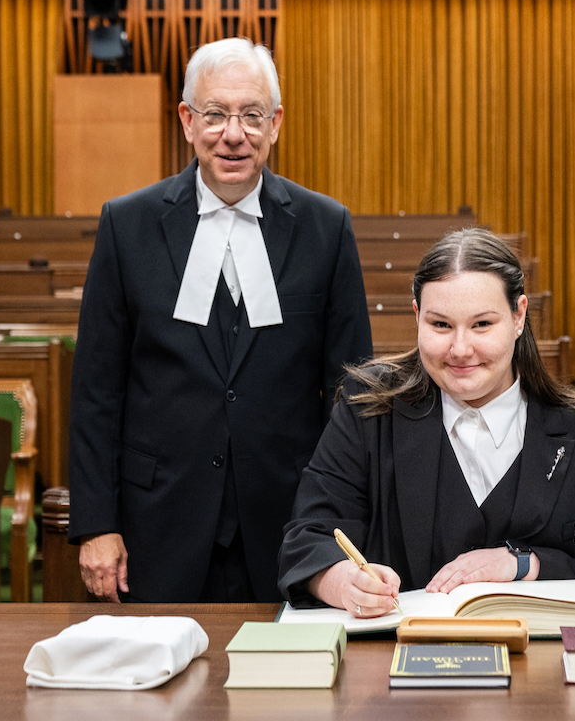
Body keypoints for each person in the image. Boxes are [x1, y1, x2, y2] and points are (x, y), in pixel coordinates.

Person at [68, 38, 372, 602]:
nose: (234, 134)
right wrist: (95, 524)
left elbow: (349, 394)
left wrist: (341, 521)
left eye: (252, 115)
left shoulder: (325, 228)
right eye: (215, 114)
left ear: (275, 123)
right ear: (187, 120)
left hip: (289, 525)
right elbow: (95, 391)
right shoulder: (126, 225)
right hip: (156, 524)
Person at [278, 228, 575, 614]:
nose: (460, 350)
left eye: (482, 325)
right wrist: (343, 582)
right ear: (417, 316)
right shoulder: (366, 411)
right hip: (396, 661)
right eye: (440, 325)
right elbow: (307, 541)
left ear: (519, 315)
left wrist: (525, 565)